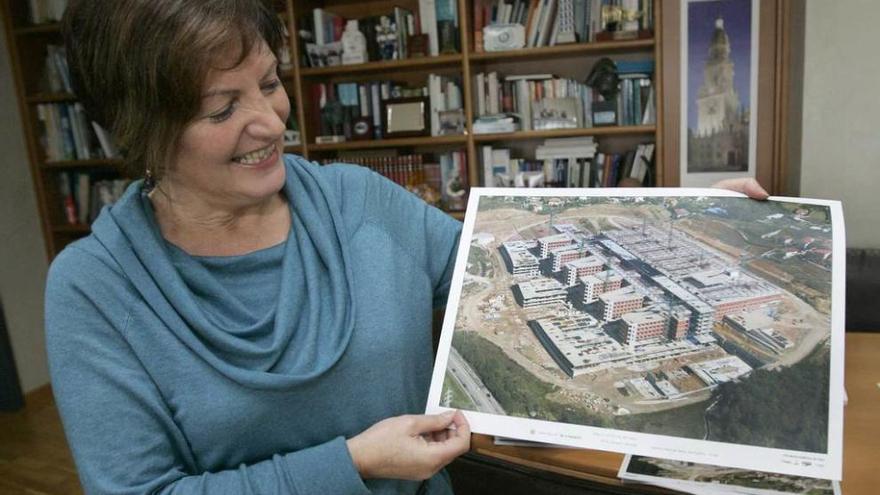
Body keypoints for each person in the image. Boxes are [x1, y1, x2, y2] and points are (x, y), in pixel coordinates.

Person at [45, 1, 768, 494]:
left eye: (268, 83)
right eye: (222, 108)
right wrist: (353, 463)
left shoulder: (360, 200)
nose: (269, 121)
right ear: (140, 127)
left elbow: (520, 255)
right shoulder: (93, 288)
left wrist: (674, 226)